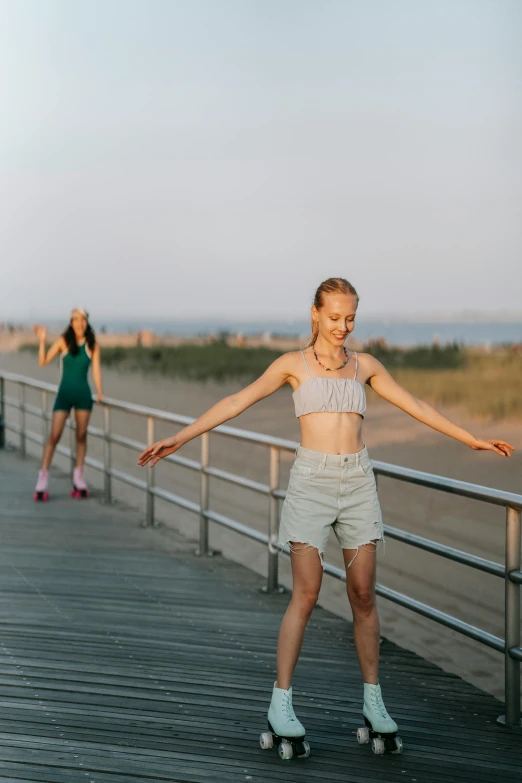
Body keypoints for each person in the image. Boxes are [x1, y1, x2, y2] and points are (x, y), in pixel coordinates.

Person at [137, 277, 514, 757]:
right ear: (315, 314)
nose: (343, 326)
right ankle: (281, 702)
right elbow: (235, 402)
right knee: (307, 594)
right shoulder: (292, 365)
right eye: (334, 317)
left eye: (350, 317)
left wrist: (471, 438)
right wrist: (180, 437)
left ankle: (374, 702)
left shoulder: (365, 366)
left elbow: (416, 405)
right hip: (311, 484)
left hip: (358, 483)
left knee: (363, 596)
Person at [33, 308, 104, 500]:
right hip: (64, 395)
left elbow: (96, 371)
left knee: (81, 436)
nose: (79, 323)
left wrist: (100, 392)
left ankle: (78, 478)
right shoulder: (63, 342)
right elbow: (42, 361)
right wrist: (41, 340)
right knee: (54, 436)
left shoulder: (92, 344)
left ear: (86, 322)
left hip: (83, 395)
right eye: (75, 320)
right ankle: (42, 479)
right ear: (71, 323)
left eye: (82, 320)